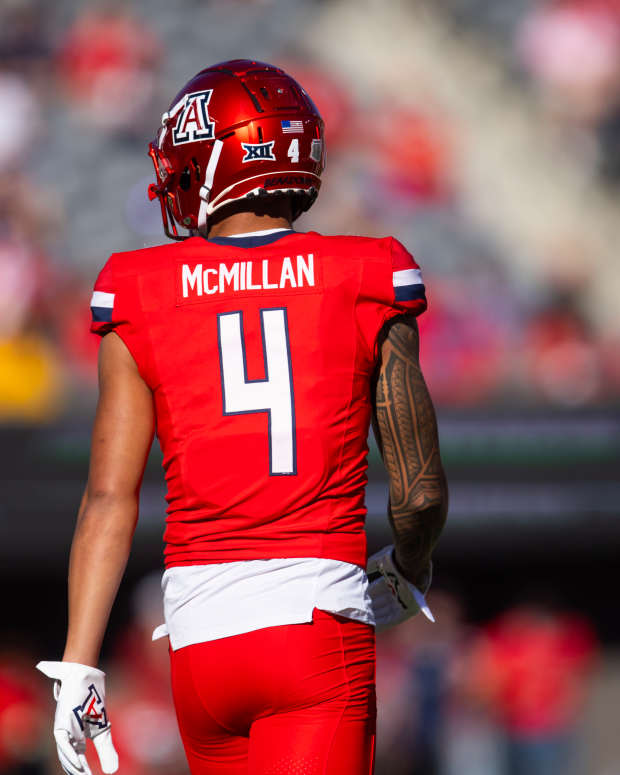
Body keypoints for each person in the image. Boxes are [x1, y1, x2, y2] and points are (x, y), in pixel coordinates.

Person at [37, 59, 448, 775]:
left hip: (200, 642)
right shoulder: (366, 272)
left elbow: (108, 497)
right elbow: (419, 492)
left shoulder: (137, 288)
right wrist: (409, 568)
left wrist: (78, 666)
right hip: (314, 629)